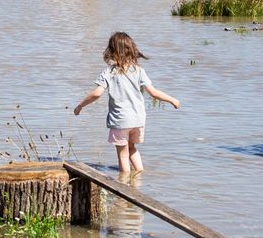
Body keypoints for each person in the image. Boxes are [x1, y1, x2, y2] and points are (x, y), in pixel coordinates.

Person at [72, 32, 181, 176]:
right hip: (138, 120)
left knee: (122, 155)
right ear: (132, 50)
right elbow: (153, 93)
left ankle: (125, 184)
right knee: (132, 148)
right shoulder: (139, 71)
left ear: (111, 51)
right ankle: (139, 177)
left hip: (121, 120)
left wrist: (80, 105)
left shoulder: (109, 72)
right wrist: (172, 99)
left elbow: (97, 93)